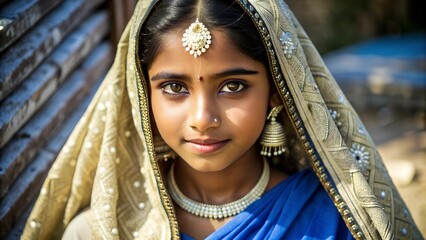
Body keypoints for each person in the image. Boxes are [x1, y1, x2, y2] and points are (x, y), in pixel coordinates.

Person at [22, 0, 422, 239]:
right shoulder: (99, 232)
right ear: (141, 95)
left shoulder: (334, 221)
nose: (203, 118)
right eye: (175, 88)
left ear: (278, 91)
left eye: (232, 86)